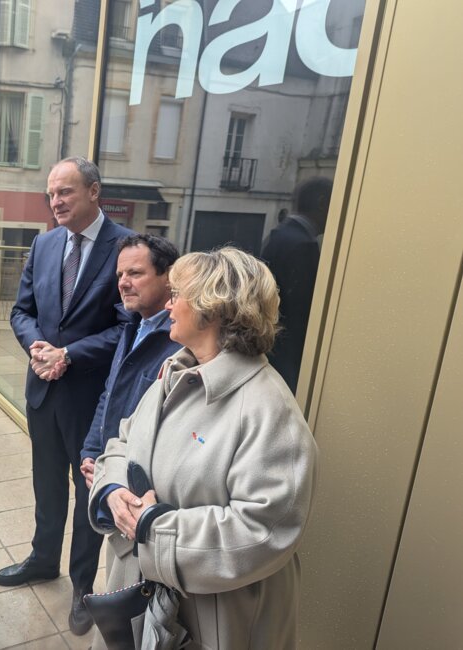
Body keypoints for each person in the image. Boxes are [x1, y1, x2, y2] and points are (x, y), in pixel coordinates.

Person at [89, 247, 318, 650]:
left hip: (215, 621)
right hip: (145, 600)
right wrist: (112, 492)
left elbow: (263, 530)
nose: (169, 303)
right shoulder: (175, 373)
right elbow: (123, 441)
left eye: (178, 295)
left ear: (213, 310)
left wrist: (151, 527)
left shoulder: (269, 409)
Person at [0, 157, 133, 636]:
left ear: (94, 191)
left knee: (86, 490)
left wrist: (69, 354)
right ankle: (42, 557)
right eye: (51, 193)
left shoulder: (124, 248)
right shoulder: (44, 242)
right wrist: (37, 346)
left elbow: (128, 327)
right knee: (45, 481)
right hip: (43, 387)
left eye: (65, 192)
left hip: (89, 399)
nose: (55, 202)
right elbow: (22, 310)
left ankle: (81, 585)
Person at [79, 234, 181, 490]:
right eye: (120, 274)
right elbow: (109, 394)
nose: (123, 283)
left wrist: (117, 473)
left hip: (138, 487)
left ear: (169, 277)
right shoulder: (131, 326)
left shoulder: (181, 344)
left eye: (135, 273)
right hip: (110, 472)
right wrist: (91, 452)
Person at [261, 177, 333, 392]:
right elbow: (300, 312)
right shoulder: (302, 245)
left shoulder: (279, 236)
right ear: (322, 203)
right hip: (287, 356)